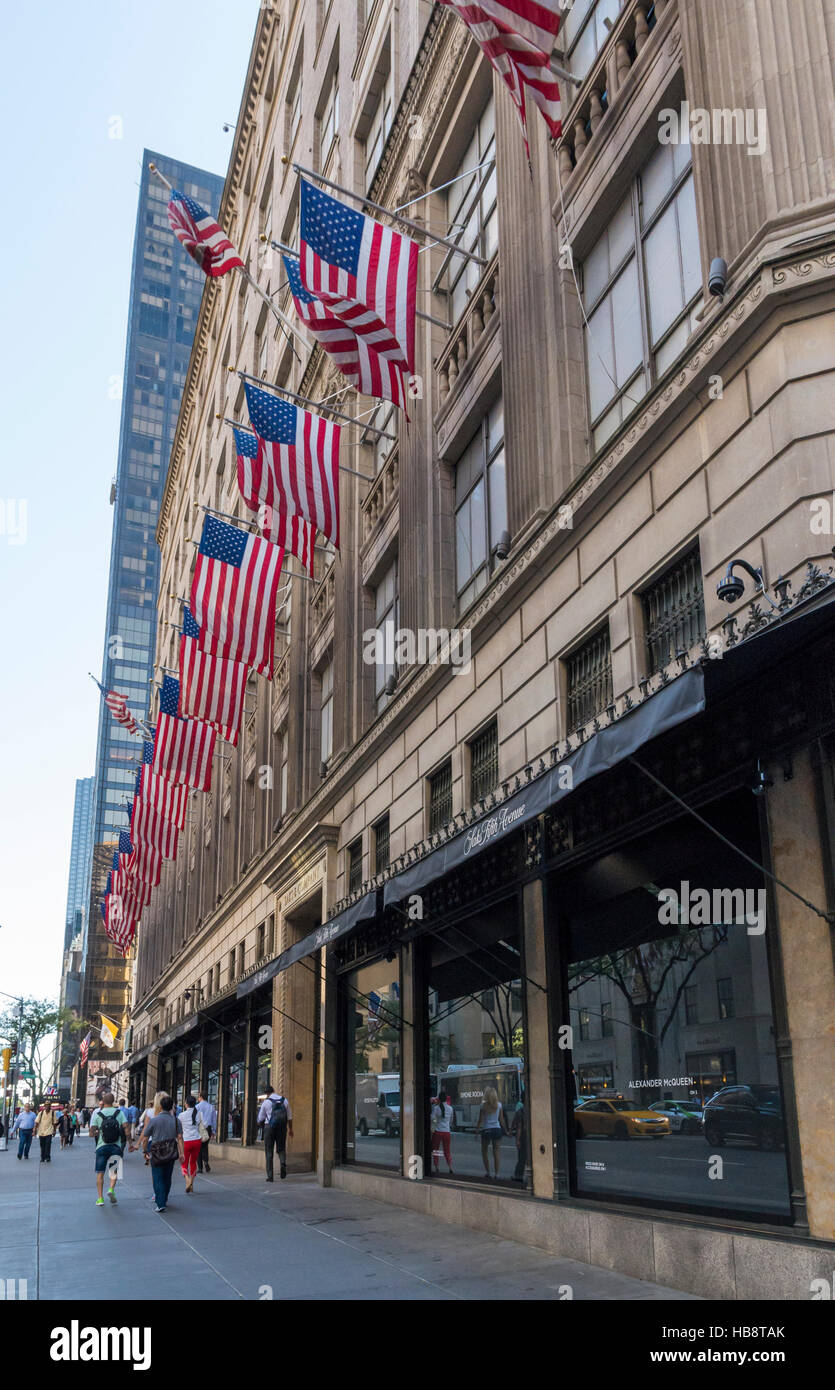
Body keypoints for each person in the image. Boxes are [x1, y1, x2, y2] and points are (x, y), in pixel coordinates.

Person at [142, 1093, 183, 1213]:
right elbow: (180, 1138)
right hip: (171, 1152)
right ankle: (164, 1198)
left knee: (157, 1176)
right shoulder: (176, 1121)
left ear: (160, 1105)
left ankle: (160, 1203)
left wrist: (145, 1150)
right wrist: (182, 1153)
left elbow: (145, 1137)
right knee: (167, 1176)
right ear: (172, 1107)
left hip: (156, 1152)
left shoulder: (154, 1120)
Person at [89, 1092, 129, 1206]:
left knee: (100, 1173)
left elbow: (91, 1133)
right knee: (114, 1171)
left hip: (101, 1147)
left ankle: (100, 1198)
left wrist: (98, 1131)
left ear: (103, 1101)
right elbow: (126, 1128)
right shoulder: (119, 1113)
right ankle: (111, 1189)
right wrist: (129, 1142)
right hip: (115, 1147)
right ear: (113, 1101)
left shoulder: (98, 1114)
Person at [257, 1084, 293, 1181]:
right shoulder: (284, 1100)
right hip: (282, 1127)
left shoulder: (266, 1102)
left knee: (269, 1152)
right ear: (273, 1090)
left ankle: (270, 1176)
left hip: (269, 1127)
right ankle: (282, 1163)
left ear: (267, 1093)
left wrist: (262, 1127)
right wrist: (291, 1129)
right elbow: (289, 1117)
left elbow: (260, 1119)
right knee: (281, 1148)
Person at [476, 1086, 509, 1179]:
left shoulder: (483, 1106)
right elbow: (501, 1120)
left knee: (484, 1152)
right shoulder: (499, 1105)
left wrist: (477, 1131)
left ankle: (488, 1172)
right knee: (496, 1152)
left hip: (486, 1130)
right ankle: (497, 1174)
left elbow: (480, 1120)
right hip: (497, 1130)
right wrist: (506, 1130)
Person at [179, 1094, 203, 1194]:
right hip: (197, 1140)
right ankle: (191, 1184)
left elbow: (179, 1130)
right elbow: (202, 1125)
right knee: (193, 1162)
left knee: (184, 1163)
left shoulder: (181, 1115)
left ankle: (187, 1181)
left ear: (186, 1104)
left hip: (186, 1141)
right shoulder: (199, 1114)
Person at [430, 1091, 455, 1175]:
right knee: (447, 1150)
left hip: (438, 1131)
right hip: (447, 1132)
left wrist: (436, 1122)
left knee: (435, 1150)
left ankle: (437, 1166)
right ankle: (450, 1167)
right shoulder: (450, 1108)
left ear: (439, 1099)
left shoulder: (436, 1108)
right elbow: (451, 1121)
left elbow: (433, 1118)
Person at [196, 1091, 216, 1173]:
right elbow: (214, 1120)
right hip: (208, 1128)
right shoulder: (211, 1107)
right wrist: (214, 1131)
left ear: (200, 1097)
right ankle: (206, 1161)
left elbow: (195, 1119)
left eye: (198, 1096)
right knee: (204, 1146)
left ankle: (200, 1168)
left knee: (198, 1148)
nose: (198, 1098)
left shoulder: (197, 1107)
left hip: (199, 1129)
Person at [511, 1095, 526, 1184]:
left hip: (523, 1136)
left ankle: (518, 1176)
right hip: (529, 1135)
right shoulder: (530, 1110)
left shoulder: (521, 1111)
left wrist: (518, 1140)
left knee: (522, 1158)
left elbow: (519, 1126)